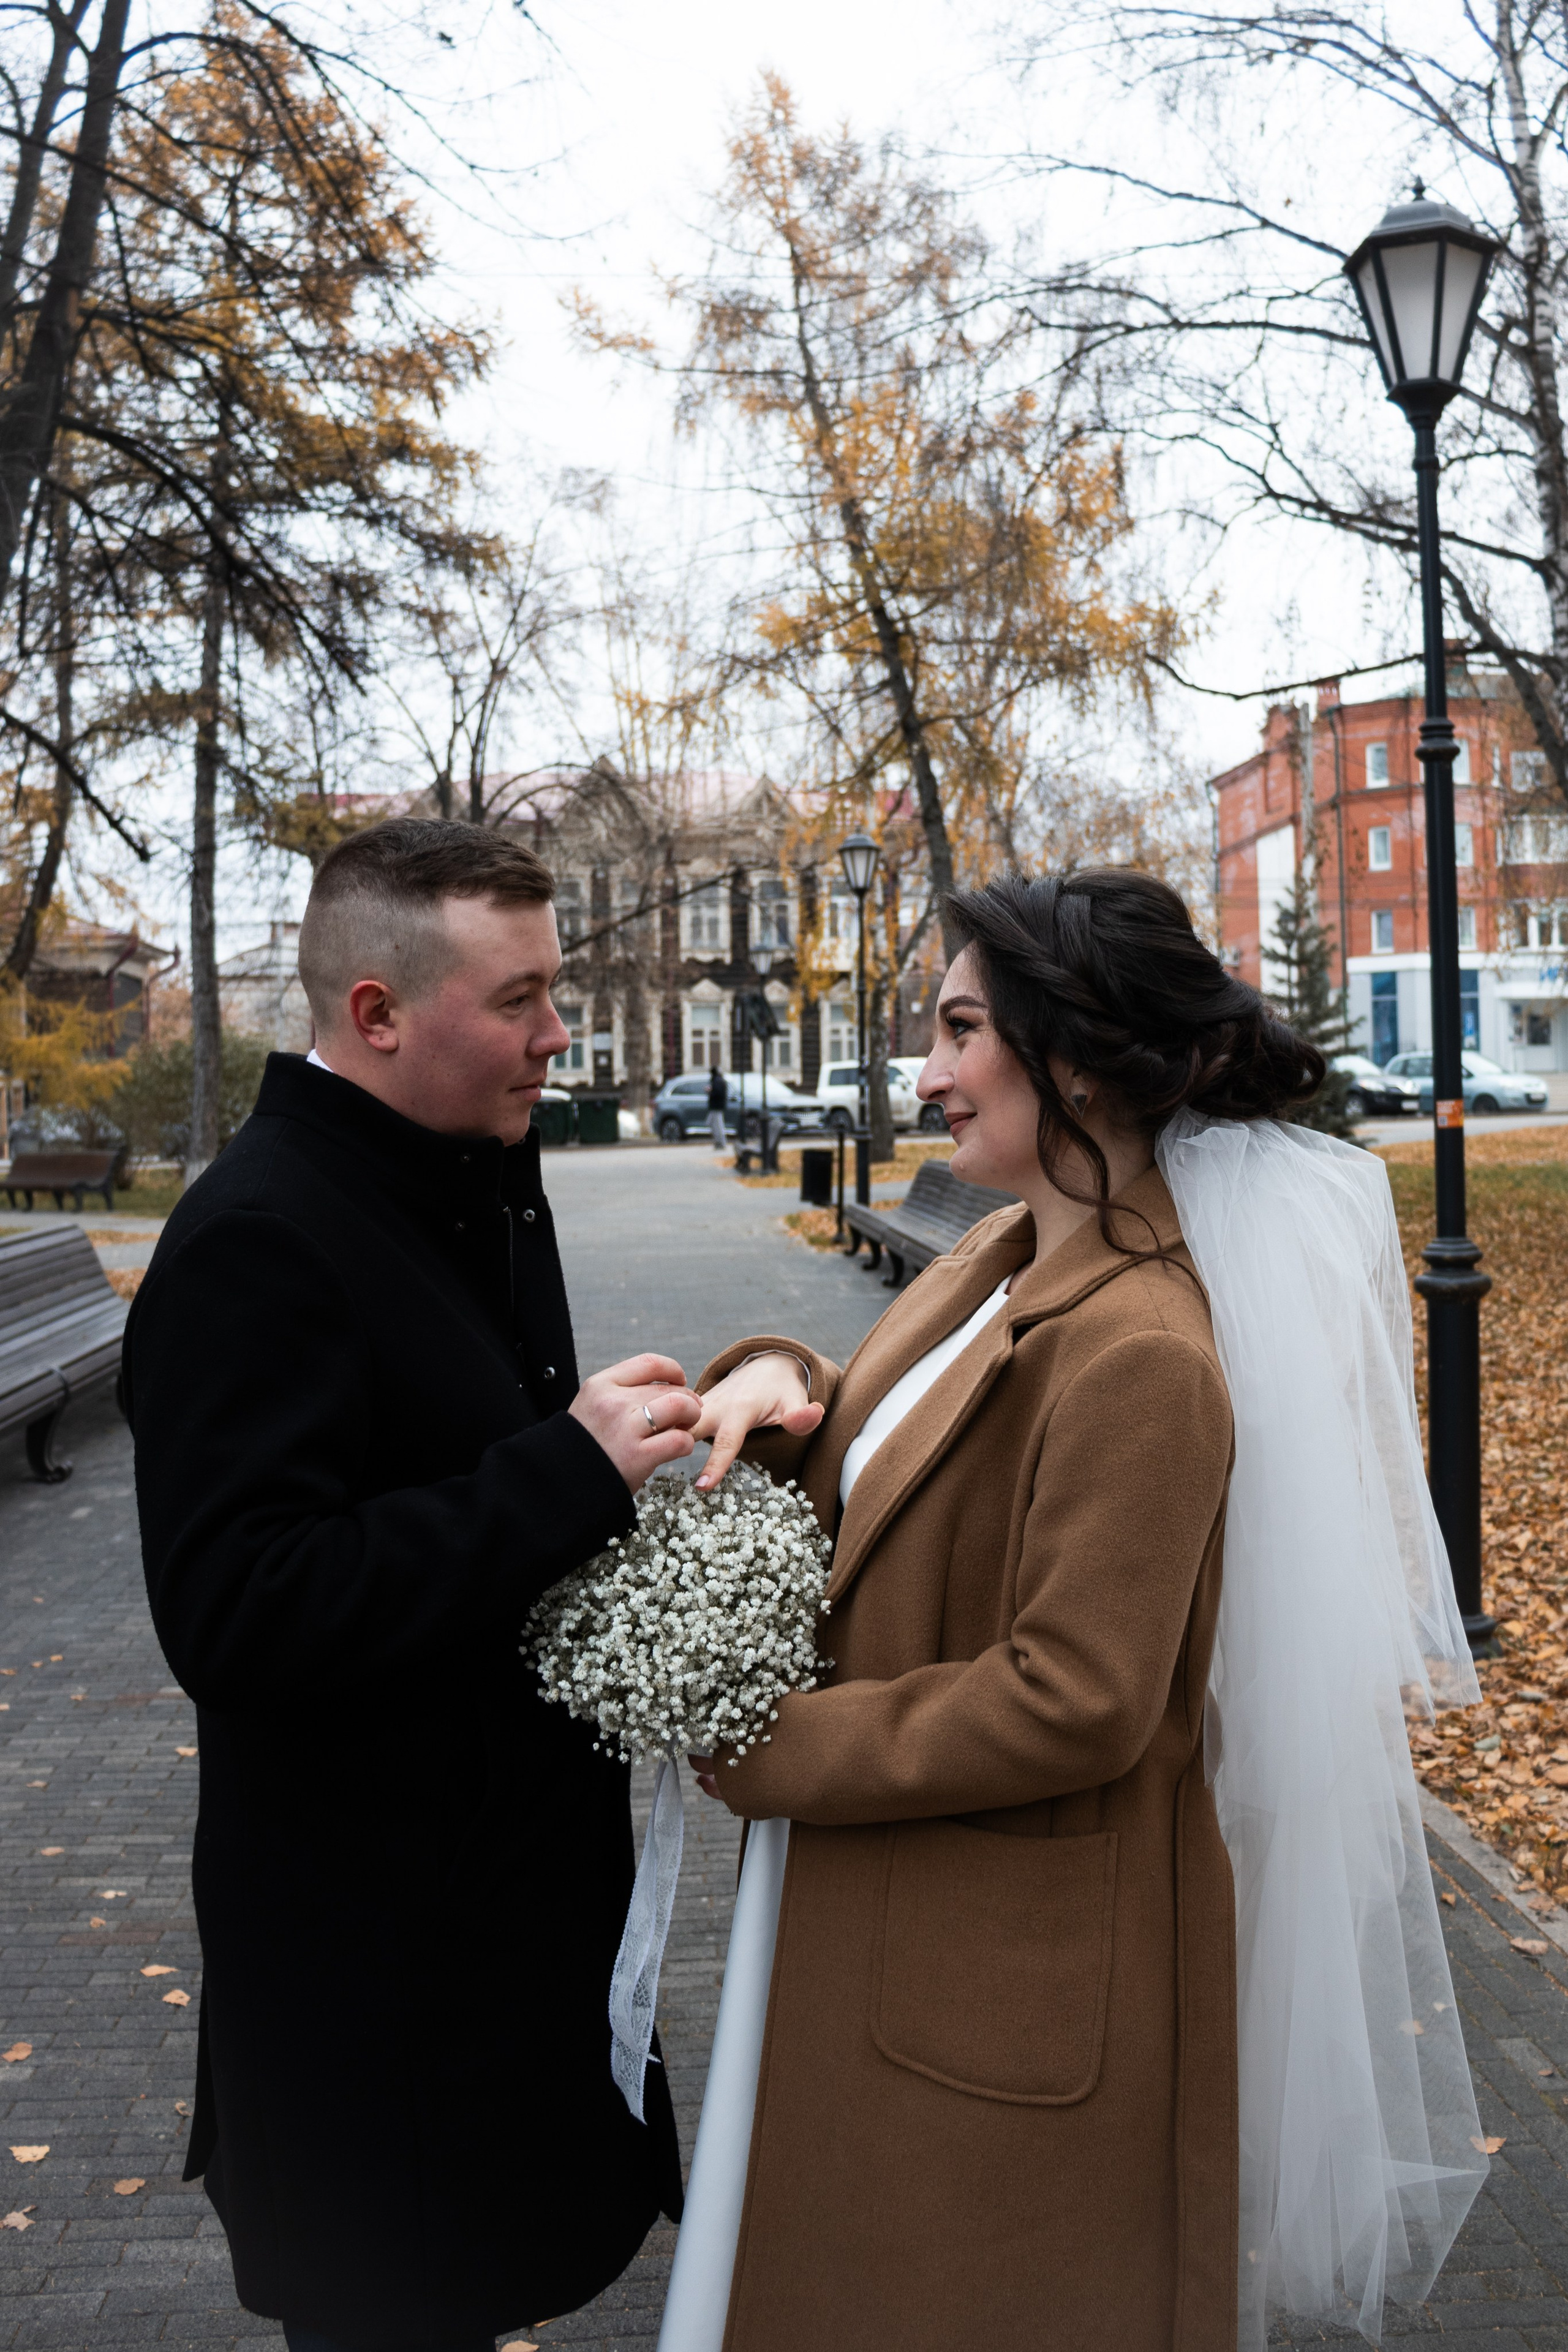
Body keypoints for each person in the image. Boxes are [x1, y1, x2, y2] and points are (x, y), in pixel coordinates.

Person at [666, 868, 1485, 2352]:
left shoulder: (1143, 1352)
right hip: (893, 1906)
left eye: (960, 1026)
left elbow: (1077, 1691)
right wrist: (779, 1382)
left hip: (997, 1967)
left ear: (1083, 1058)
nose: (923, 1071)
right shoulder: (1010, 1245)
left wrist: (772, 1746)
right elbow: (893, 1435)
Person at [124, 820, 704, 2352]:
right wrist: (566, 1474)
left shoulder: (462, 1172)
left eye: (553, 989)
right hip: (373, 1983)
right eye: (517, 998)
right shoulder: (255, 1234)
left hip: (486, 1935)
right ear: (378, 1012)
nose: (556, 1033)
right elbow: (236, 1609)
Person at [707, 1063, 729, 1150]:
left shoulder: (717, 1081)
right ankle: (719, 1142)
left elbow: (718, 1093)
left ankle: (721, 1143)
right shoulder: (719, 1080)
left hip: (716, 1106)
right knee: (713, 1123)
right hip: (717, 1106)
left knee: (718, 1125)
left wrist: (711, 1092)